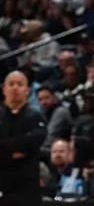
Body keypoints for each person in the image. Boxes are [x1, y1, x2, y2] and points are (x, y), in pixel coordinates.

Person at [0, 70, 47, 206]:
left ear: (27, 90)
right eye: (11, 84)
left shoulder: (35, 116)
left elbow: (35, 140)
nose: (15, 88)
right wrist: (15, 150)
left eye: (19, 84)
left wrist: (4, 148)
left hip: (27, 182)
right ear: (4, 89)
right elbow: (26, 143)